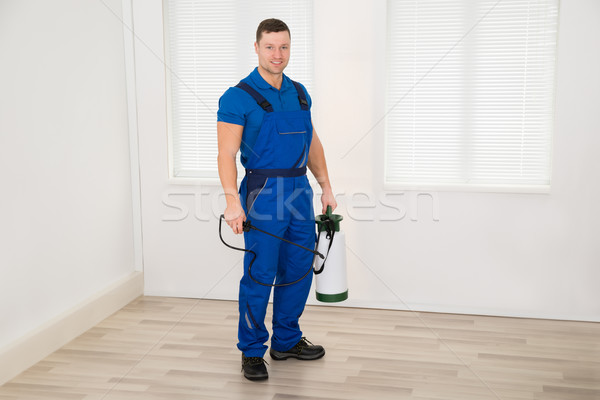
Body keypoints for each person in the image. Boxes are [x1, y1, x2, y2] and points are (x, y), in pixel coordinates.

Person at [217, 18, 337, 381]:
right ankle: (252, 352)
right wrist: (231, 202)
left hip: (300, 191)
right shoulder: (237, 96)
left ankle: (286, 339)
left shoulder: (300, 92)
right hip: (261, 193)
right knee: (260, 273)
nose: (277, 54)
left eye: (284, 47)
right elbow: (226, 154)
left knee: (299, 270)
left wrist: (326, 185)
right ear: (256, 48)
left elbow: (311, 142)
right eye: (269, 47)